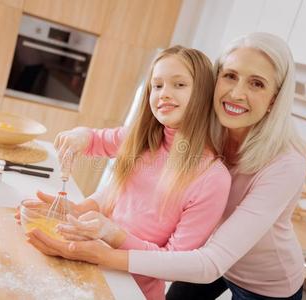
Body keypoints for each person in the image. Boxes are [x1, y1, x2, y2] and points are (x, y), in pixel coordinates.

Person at [26, 32, 306, 299]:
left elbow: (208, 263)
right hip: (205, 253)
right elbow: (130, 166)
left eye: (257, 83)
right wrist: (84, 142)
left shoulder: (285, 165)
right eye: (230, 76)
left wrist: (106, 246)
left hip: (260, 280)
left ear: (274, 99)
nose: (236, 93)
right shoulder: (206, 129)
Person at [25, 45, 231, 300]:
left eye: (179, 85)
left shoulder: (213, 178)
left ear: (203, 94)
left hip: (131, 291)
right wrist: (79, 137)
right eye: (157, 86)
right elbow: (96, 140)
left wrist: (113, 234)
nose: (164, 94)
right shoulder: (141, 141)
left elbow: (174, 262)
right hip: (89, 264)